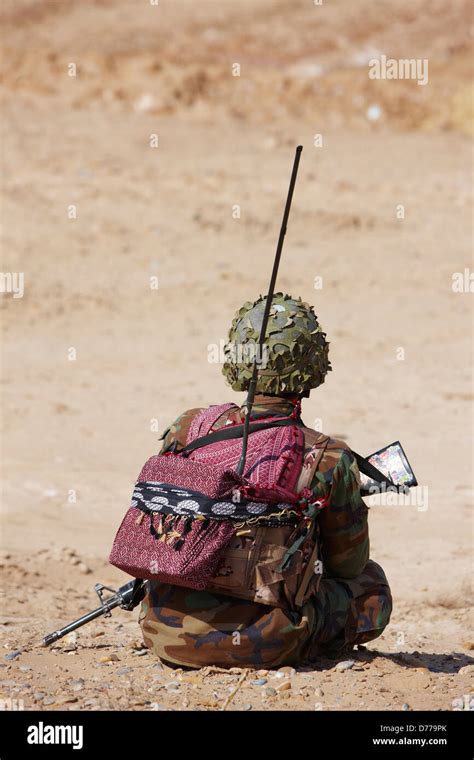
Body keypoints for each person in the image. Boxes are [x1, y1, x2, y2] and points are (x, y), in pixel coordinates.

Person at [139, 293, 392, 668]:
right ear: (313, 365)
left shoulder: (188, 427)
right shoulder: (329, 457)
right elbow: (349, 565)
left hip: (165, 633)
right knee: (372, 586)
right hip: (267, 639)